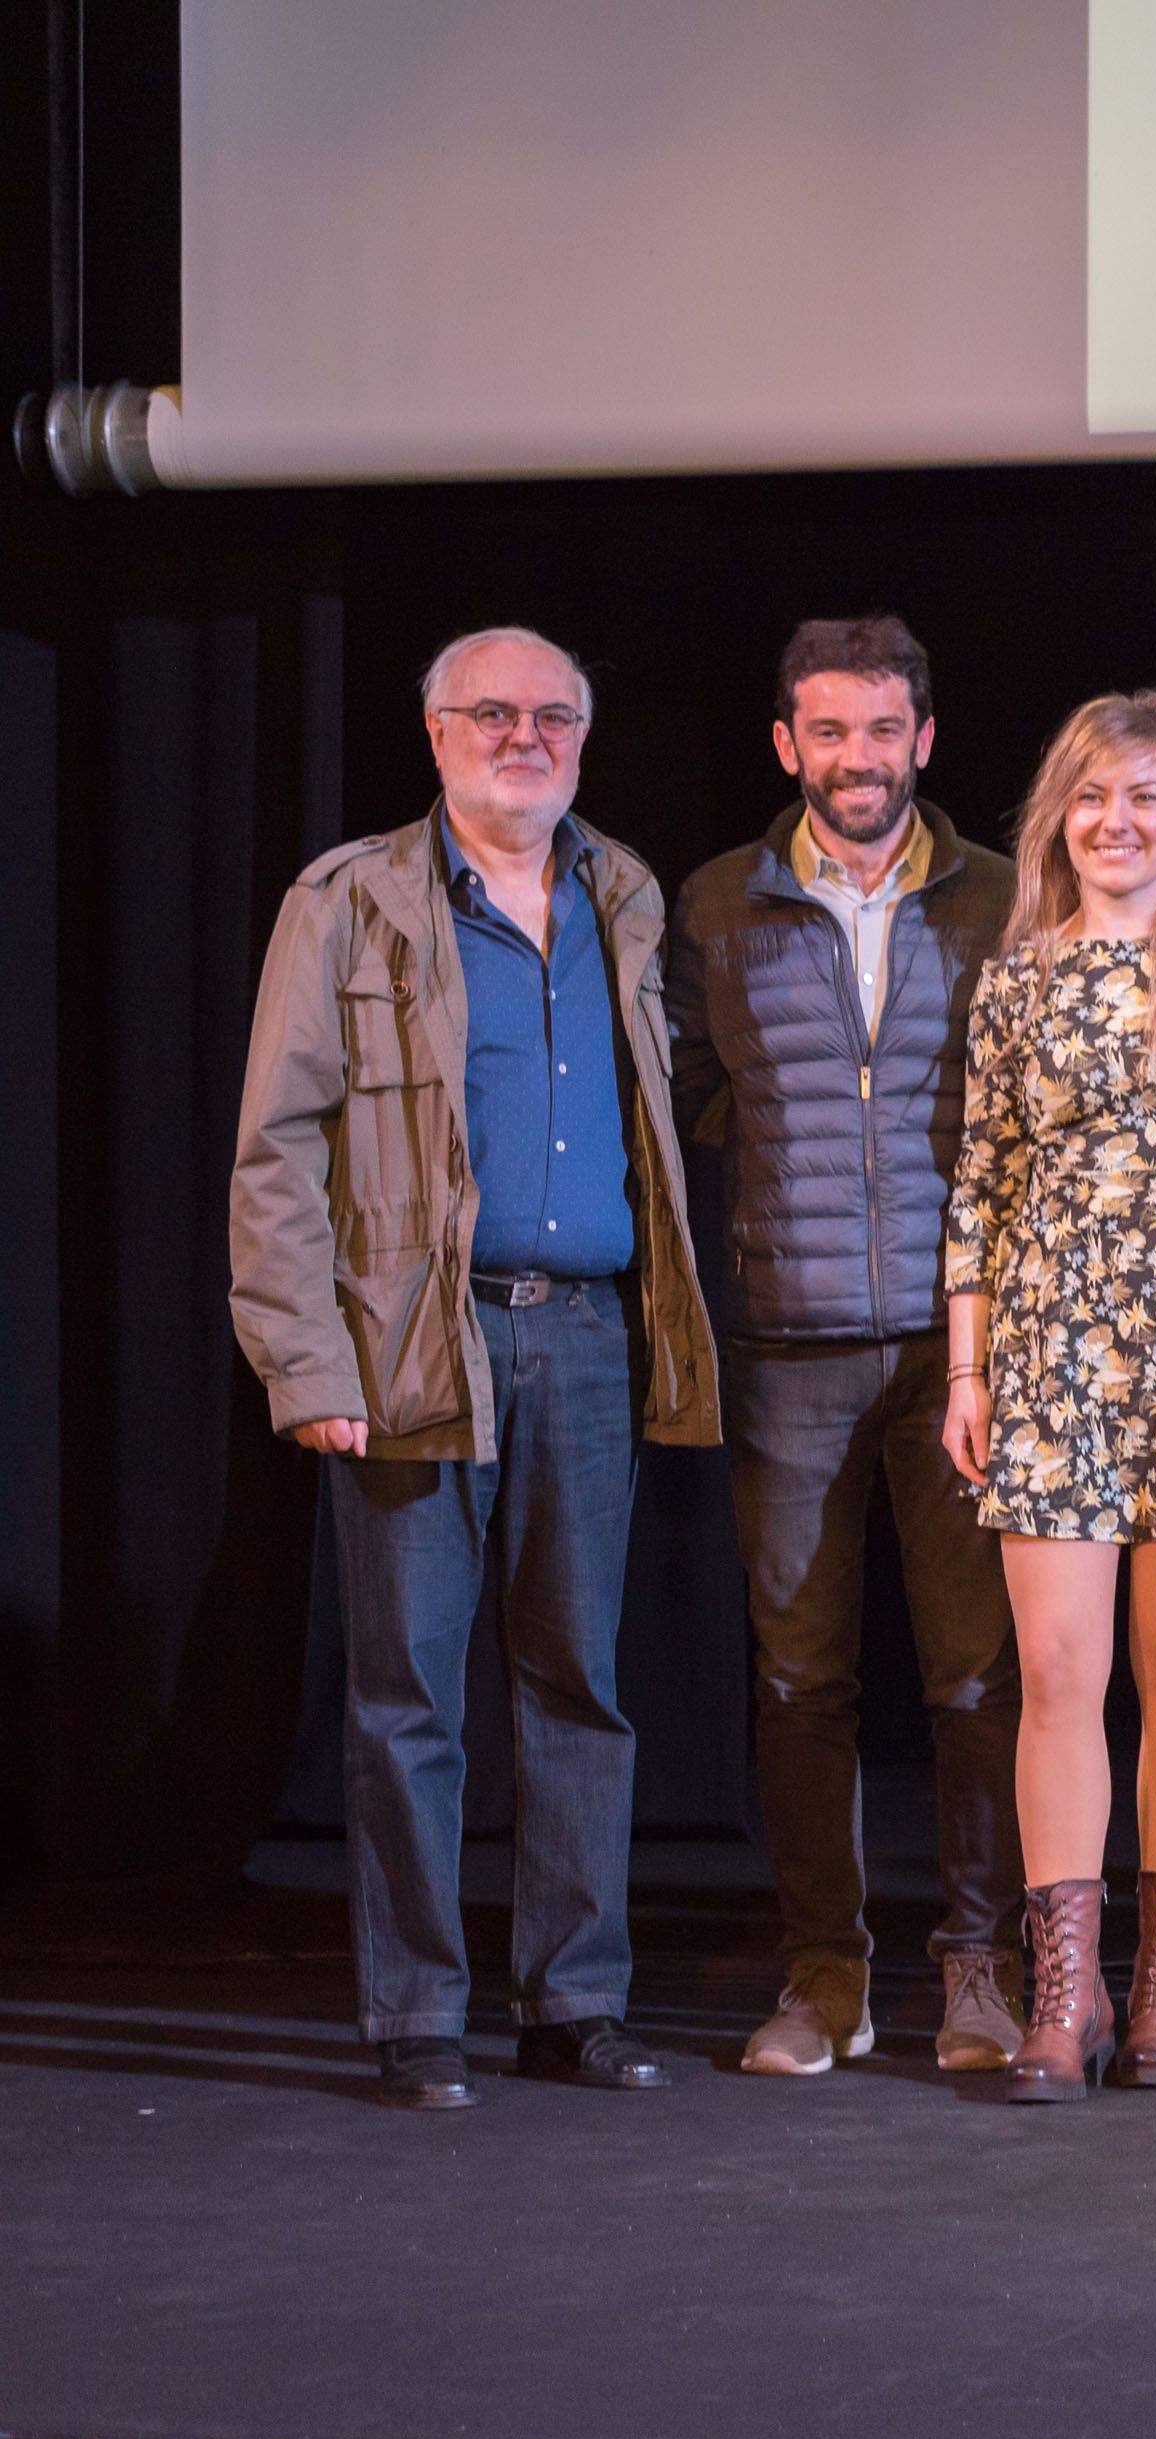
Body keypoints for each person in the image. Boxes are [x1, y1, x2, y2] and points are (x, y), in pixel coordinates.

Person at [228, 626, 721, 2111]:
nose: (526, 737)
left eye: (553, 715)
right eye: (492, 714)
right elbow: (274, 1152)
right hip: (410, 1340)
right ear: (436, 732)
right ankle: (415, 2015)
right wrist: (303, 1354)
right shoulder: (350, 898)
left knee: (580, 1687)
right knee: (409, 1698)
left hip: (582, 1330)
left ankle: (574, 2001)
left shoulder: (621, 890)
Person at [666, 615, 1025, 2080]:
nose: (857, 758)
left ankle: (981, 1973)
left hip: (961, 1346)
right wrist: (775, 1208)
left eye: (884, 730)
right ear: (785, 744)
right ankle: (824, 1978)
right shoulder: (715, 903)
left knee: (975, 1675)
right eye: (829, 730)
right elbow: (688, 1090)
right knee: (801, 1679)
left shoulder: (1008, 899)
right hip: (790, 1344)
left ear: (925, 741)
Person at [942, 691, 1156, 2102]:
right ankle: (1061, 1989)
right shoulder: (1019, 981)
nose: (1118, 821)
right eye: (1093, 796)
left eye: (1146, 795)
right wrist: (968, 1366)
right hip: (1049, 1354)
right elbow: (980, 1182)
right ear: (1057, 817)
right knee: (1058, 1680)